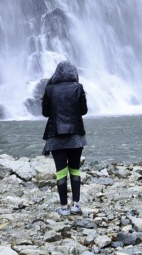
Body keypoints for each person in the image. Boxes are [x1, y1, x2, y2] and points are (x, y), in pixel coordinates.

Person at [41, 60, 89, 216]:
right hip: (76, 135)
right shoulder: (78, 88)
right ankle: (75, 205)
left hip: (56, 135)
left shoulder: (49, 90)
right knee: (75, 169)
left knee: (61, 171)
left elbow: (45, 113)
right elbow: (84, 111)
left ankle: (63, 208)